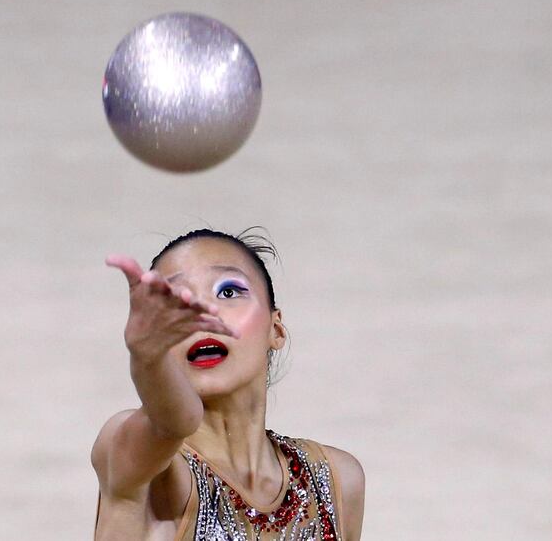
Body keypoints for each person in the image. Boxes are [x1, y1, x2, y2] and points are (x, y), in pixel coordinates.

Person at [93, 229, 365, 540]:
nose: (202, 311)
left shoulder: (336, 479)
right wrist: (146, 357)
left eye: (228, 291)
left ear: (275, 329)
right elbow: (171, 423)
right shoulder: (144, 469)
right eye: (176, 299)